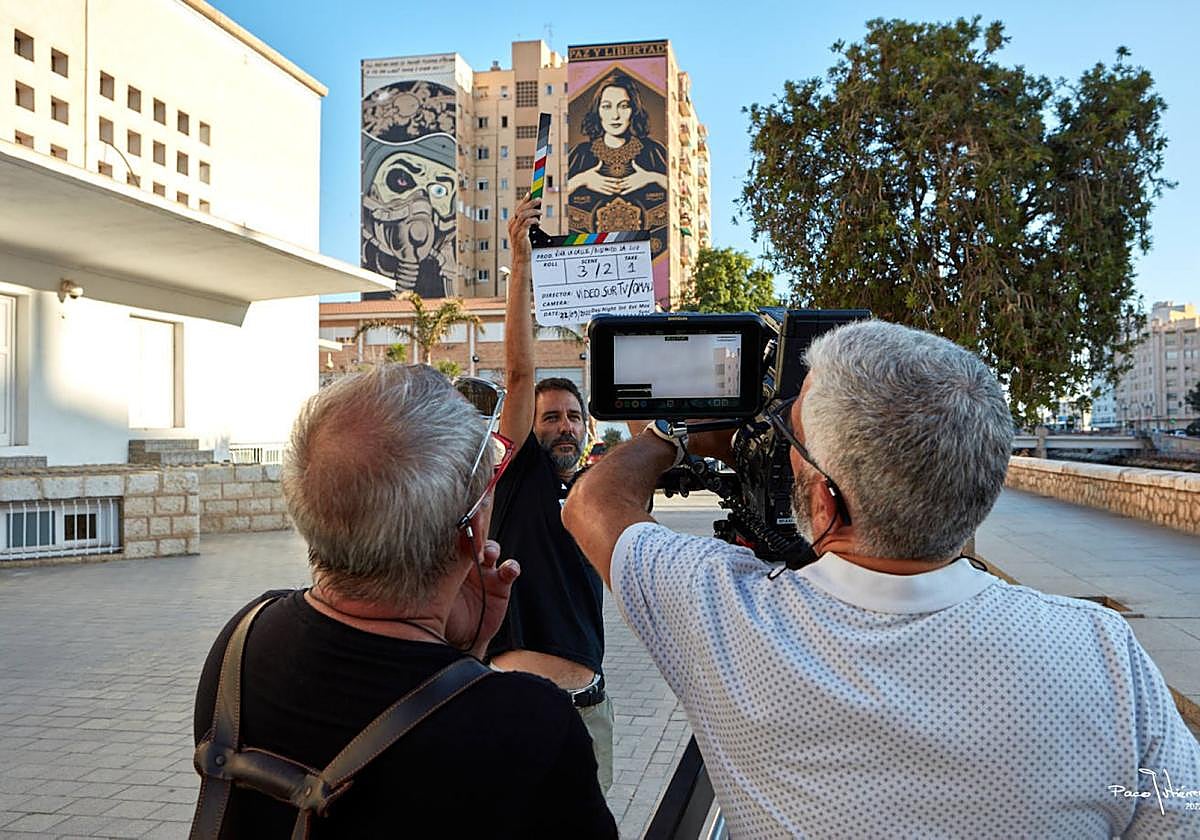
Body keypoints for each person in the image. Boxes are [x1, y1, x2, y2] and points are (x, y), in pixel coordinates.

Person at [564, 320, 1200, 838]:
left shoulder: (722, 615)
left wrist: (671, 435)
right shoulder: (1104, 652)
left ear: (825, 505)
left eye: (789, 437)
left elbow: (592, 503)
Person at [193, 365, 616, 838]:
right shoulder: (529, 722)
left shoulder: (242, 640)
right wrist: (465, 665)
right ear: (476, 531)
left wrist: (465, 658)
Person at [486, 196, 613, 790]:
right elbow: (518, 374)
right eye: (550, 417)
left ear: (588, 427)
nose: (564, 426)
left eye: (573, 416)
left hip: (589, 711)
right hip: (514, 712)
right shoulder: (518, 478)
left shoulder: (599, 491)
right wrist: (521, 266)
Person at [568, 71, 669, 255]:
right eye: (607, 106)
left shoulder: (653, 151)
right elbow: (554, 197)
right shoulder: (581, 154)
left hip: (647, 258)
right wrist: (583, 180)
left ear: (633, 110)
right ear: (598, 111)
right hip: (590, 259)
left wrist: (650, 178)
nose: (615, 116)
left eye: (623, 106)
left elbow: (677, 193)